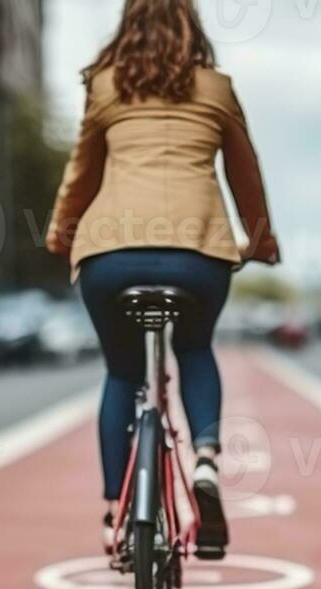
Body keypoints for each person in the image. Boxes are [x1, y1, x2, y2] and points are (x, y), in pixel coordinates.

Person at [46, 0, 279, 555]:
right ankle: (204, 460)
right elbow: (246, 175)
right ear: (190, 26)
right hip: (197, 253)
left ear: (128, 27)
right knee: (195, 349)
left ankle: (112, 512)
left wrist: (61, 234)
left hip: (111, 255)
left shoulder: (105, 88)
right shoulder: (216, 88)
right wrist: (261, 239)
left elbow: (81, 173)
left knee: (122, 376)